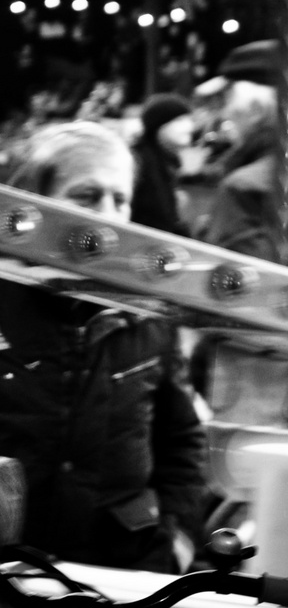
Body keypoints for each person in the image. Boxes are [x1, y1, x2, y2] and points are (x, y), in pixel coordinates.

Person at [0, 122, 209, 572]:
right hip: (13, 569)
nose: (109, 215)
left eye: (121, 199)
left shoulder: (149, 315)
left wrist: (177, 539)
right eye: (87, 196)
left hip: (122, 571)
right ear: (33, 201)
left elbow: (182, 438)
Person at [195, 84, 288, 263]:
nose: (225, 115)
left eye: (229, 104)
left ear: (256, 111)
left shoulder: (242, 187)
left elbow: (240, 281)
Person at [131, 93, 193, 234]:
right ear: (158, 126)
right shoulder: (140, 162)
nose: (189, 126)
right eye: (179, 120)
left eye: (189, 119)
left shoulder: (168, 162)